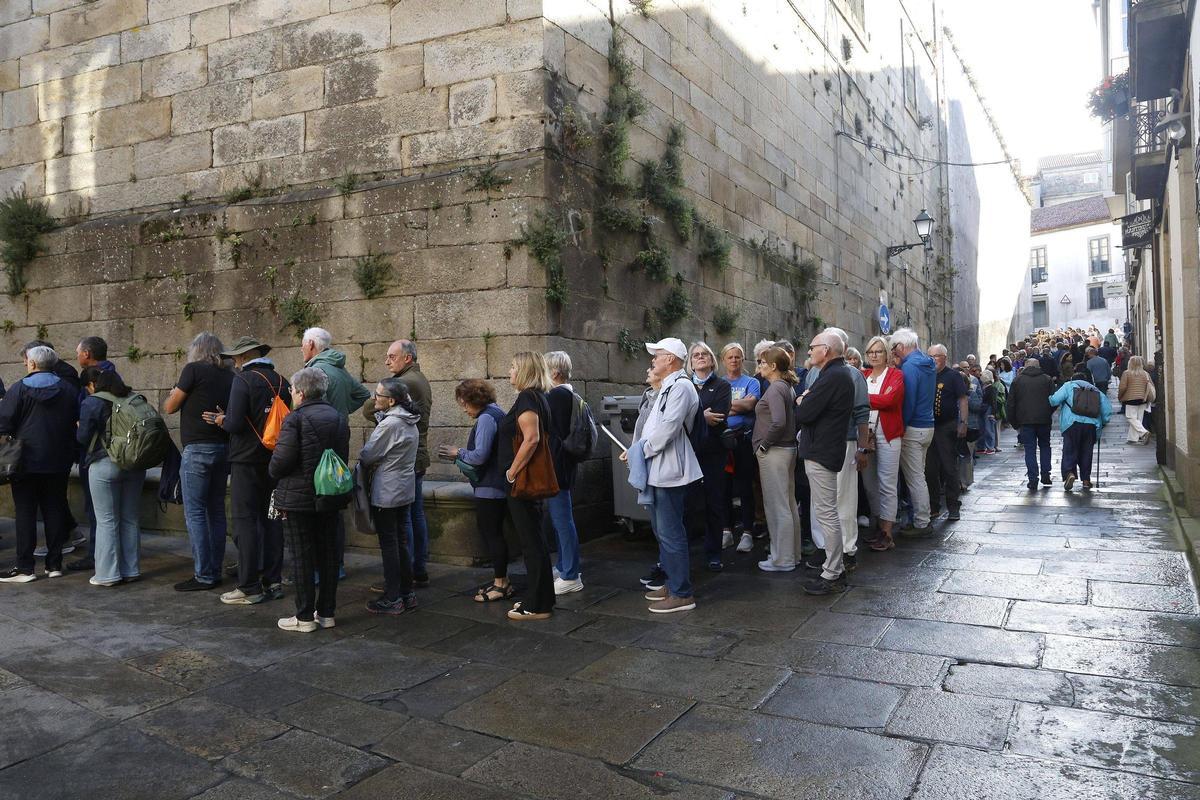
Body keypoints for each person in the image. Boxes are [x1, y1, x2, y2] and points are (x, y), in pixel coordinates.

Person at [210, 337, 291, 605]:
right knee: (272, 520)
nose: (234, 362)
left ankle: (249, 586)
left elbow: (234, 424)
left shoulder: (243, 381)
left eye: (235, 358)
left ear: (243, 357)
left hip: (246, 460)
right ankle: (273, 581)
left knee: (245, 521)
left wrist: (221, 419)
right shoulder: (282, 380)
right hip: (275, 459)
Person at [270, 368, 350, 632]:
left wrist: (272, 469)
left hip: (298, 498)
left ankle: (304, 617)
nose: (292, 394)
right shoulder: (338, 418)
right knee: (328, 554)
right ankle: (326, 613)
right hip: (329, 494)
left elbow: (281, 461)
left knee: (301, 556)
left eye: (292, 390)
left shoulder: (295, 419)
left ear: (301, 393)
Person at [0, 346, 79, 583]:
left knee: (25, 512)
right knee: (54, 509)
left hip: (25, 460)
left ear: (33, 364)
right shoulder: (68, 389)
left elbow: (4, 423)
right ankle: (54, 564)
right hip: (59, 459)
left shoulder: (19, 389)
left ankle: (25, 567)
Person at [163, 333, 234, 592]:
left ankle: (204, 575)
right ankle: (214, 569)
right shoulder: (230, 375)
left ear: (196, 350)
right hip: (223, 449)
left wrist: (173, 393)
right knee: (216, 510)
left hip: (197, 450)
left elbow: (170, 407)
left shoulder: (192, 370)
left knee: (195, 513)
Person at [638, 338, 702, 613]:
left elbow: (668, 428)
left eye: (658, 355)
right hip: (660, 467)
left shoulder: (681, 387)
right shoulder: (671, 386)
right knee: (662, 531)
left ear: (671, 359)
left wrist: (641, 450)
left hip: (669, 469)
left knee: (670, 532)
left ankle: (681, 593)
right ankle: (673, 582)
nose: (653, 359)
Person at [365, 340, 432, 587]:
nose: (386, 361)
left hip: (405, 461)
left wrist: (379, 398)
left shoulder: (406, 382)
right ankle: (417, 570)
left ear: (408, 358)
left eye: (392, 356)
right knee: (415, 515)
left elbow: (367, 409)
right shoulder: (418, 378)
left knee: (404, 523)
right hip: (416, 457)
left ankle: (406, 574)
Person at [497, 351, 558, 621]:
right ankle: (540, 598)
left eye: (513, 367)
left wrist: (511, 473)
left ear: (524, 370)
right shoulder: (537, 397)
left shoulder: (528, 398)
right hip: (523, 481)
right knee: (534, 540)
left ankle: (537, 605)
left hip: (522, 482)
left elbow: (532, 438)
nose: (509, 371)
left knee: (531, 542)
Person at [439, 380, 510, 602]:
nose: (464, 409)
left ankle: (501, 584)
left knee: (492, 535)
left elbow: (479, 456)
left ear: (474, 400)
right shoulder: (497, 412)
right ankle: (502, 580)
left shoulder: (487, 418)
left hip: (490, 487)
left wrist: (457, 452)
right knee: (495, 534)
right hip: (498, 485)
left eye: (464, 403)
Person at [77, 368, 149, 587]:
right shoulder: (134, 399)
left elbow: (82, 438)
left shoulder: (93, 402)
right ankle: (131, 570)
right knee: (130, 518)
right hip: (135, 463)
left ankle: (107, 574)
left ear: (94, 385)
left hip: (105, 463)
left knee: (106, 520)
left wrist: (79, 427)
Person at [796, 332, 855, 595]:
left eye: (812, 347)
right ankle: (835, 568)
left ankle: (832, 572)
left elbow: (804, 412)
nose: (809, 351)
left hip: (822, 451)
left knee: (827, 514)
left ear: (826, 350)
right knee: (828, 512)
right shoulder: (836, 374)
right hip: (825, 449)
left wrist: (803, 399)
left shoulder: (833, 376)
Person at [359, 377, 420, 615]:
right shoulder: (409, 420)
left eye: (378, 395)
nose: (375, 398)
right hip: (404, 489)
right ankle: (407, 593)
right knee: (401, 541)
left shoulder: (391, 424)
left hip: (387, 491)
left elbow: (367, 455)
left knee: (390, 544)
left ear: (392, 400)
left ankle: (393, 597)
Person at [67, 336, 119, 572]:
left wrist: (80, 426)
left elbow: (86, 428)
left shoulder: (94, 380)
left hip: (96, 454)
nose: (77, 356)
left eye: (78, 352)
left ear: (87, 354)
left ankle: (98, 557)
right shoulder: (113, 375)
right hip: (115, 453)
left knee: (98, 512)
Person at [753, 346, 800, 572]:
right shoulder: (786, 386)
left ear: (773, 366)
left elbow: (779, 422)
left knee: (776, 506)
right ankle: (792, 555)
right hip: (786, 450)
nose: (759, 366)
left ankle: (782, 559)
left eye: (762, 362)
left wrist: (764, 445)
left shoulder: (775, 389)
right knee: (788, 504)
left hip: (775, 452)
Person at [825, 328, 869, 570]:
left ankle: (848, 548)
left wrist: (863, 447)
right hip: (821, 443)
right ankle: (827, 548)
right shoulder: (815, 372)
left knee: (845, 497)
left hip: (846, 440)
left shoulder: (854, 375)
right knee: (823, 499)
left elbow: (862, 412)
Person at [542, 351, 584, 595]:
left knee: (562, 521)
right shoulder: (567, 394)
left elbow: (553, 437)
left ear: (555, 373)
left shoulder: (557, 395)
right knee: (562, 521)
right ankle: (564, 566)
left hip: (557, 467)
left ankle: (570, 573)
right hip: (564, 465)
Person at [689, 341, 732, 571]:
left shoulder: (722, 386)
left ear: (712, 359)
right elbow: (680, 417)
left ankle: (714, 553)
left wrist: (694, 417)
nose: (700, 357)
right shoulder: (685, 385)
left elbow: (718, 416)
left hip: (713, 453)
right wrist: (701, 416)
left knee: (714, 503)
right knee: (688, 503)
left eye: (704, 354)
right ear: (690, 361)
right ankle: (685, 552)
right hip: (688, 453)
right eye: (695, 355)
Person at [861, 335, 904, 551]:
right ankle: (878, 526)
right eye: (871, 352)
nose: (874, 355)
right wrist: (876, 399)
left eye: (878, 351)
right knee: (869, 484)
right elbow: (879, 400)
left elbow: (890, 400)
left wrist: (863, 399)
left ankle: (887, 533)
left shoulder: (896, 375)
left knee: (887, 483)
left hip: (888, 434)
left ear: (886, 353)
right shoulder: (863, 375)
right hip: (865, 435)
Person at [892, 328, 936, 536]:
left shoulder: (910, 366)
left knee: (915, 478)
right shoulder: (927, 363)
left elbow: (908, 401)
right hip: (927, 426)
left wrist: (901, 426)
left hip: (913, 427)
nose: (894, 352)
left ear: (901, 346)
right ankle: (920, 518)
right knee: (919, 475)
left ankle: (921, 522)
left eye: (894, 348)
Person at [720, 343, 760, 553]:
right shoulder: (719, 383)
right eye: (730, 357)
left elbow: (750, 405)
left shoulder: (752, 382)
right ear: (723, 360)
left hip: (743, 440)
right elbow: (712, 407)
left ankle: (747, 532)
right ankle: (726, 530)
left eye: (738, 357)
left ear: (743, 359)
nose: (734, 360)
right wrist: (738, 405)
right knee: (723, 487)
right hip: (722, 442)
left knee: (745, 488)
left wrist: (724, 407)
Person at [1050, 364, 1112, 491]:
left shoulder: (1068, 386)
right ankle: (1086, 480)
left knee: (1069, 449)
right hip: (1091, 426)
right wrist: (1103, 422)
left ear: (1073, 378)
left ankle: (1069, 473)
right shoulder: (1095, 390)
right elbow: (1106, 410)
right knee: (1086, 452)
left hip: (1071, 424)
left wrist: (1050, 398)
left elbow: (1054, 400)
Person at [924, 344, 967, 521]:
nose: (933, 359)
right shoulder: (926, 374)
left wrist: (963, 422)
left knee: (949, 467)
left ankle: (953, 505)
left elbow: (963, 399)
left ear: (945, 357)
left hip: (947, 426)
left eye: (936, 356)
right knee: (929, 469)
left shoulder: (953, 376)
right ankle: (933, 505)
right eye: (930, 356)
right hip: (928, 426)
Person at [1008, 355, 1055, 490]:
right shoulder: (1047, 379)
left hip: (1025, 420)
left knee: (1030, 449)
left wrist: (1014, 422)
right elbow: (1054, 400)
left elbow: (1011, 403)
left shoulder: (1018, 380)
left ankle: (1033, 478)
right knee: (1045, 446)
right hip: (1044, 419)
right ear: (1039, 366)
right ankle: (1046, 474)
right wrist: (1048, 411)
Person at [1118, 355, 1154, 444]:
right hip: (1143, 399)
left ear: (1130, 363)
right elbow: (1150, 385)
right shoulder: (1145, 373)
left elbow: (1122, 387)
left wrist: (1120, 396)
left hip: (1130, 398)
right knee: (1138, 419)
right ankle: (1133, 439)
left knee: (1130, 417)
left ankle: (1144, 432)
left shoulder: (1127, 373)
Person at [959, 365, 983, 491]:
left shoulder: (971, 394)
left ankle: (965, 481)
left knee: (967, 456)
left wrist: (967, 399)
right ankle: (959, 481)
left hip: (971, 427)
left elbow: (978, 406)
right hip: (957, 428)